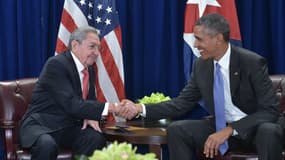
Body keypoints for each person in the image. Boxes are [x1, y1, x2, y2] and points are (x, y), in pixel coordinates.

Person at [121, 13, 283, 160]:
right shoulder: (201, 66)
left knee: (268, 131)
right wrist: (139, 108)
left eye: (199, 39)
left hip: (254, 129)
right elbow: (181, 104)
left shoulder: (251, 62)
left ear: (218, 38)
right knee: (178, 129)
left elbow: (269, 110)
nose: (195, 44)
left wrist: (230, 130)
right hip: (221, 127)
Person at [19, 26, 125, 160]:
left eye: (99, 48)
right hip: (42, 126)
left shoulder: (89, 69)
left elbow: (89, 101)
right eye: (92, 46)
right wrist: (111, 107)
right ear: (75, 45)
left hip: (67, 127)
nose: (97, 52)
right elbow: (71, 104)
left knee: (95, 139)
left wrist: (90, 115)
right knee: (47, 145)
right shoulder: (57, 64)